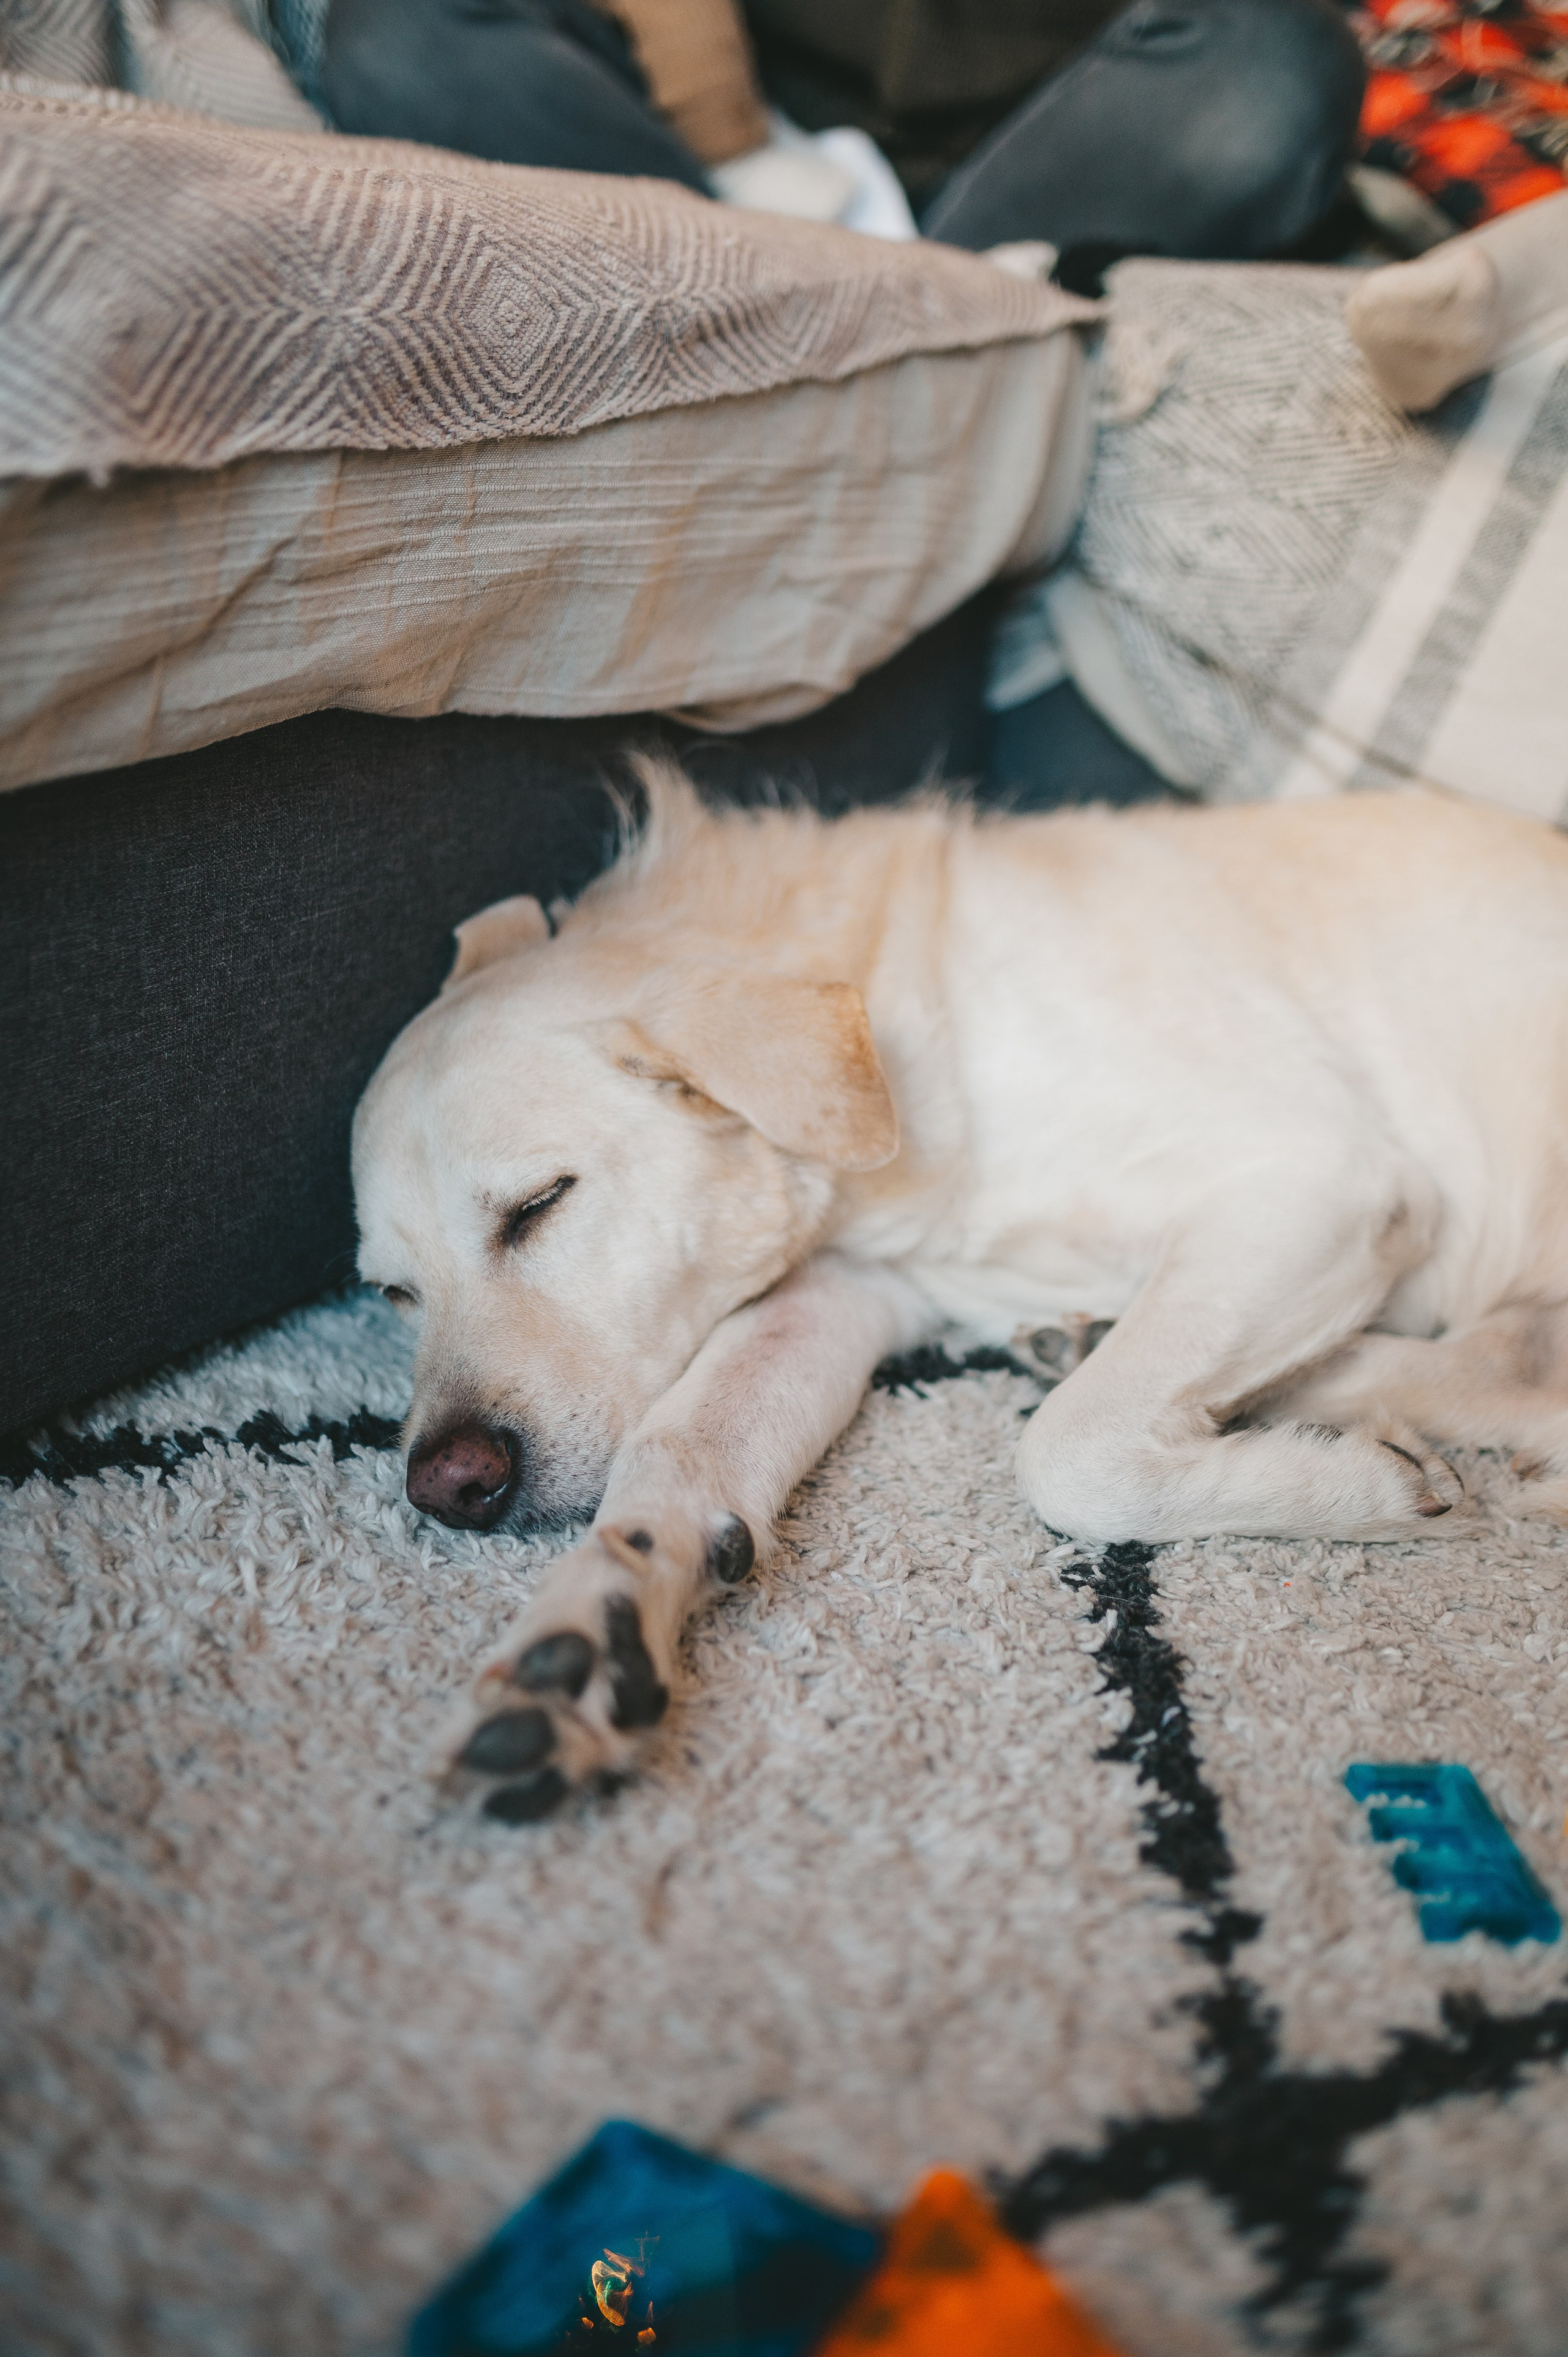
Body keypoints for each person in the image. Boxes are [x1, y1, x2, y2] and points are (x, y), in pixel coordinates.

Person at [322, 0, 1368, 267]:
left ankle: (926, 323)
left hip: (1038, 145)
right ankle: (756, 312)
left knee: (1285, 63)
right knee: (401, 31)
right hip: (700, 153)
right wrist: (732, 145)